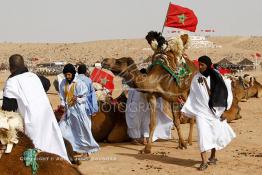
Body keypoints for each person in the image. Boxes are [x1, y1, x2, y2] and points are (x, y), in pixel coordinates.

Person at [1, 54, 69, 162]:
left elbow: (8, 108)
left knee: (36, 150)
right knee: (53, 143)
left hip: (32, 120)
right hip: (47, 116)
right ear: (24, 64)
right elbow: (47, 83)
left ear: (10, 68)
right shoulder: (34, 76)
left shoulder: (11, 82)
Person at [181, 55, 236, 171]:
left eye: (202, 65)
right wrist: (187, 110)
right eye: (199, 65)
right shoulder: (196, 79)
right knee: (202, 136)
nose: (200, 67)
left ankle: (212, 156)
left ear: (208, 65)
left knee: (214, 134)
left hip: (215, 113)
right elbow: (193, 96)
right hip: (201, 112)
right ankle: (204, 161)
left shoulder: (217, 76)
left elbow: (225, 94)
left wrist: (223, 110)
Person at [59, 64, 99, 157]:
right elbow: (62, 96)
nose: (67, 77)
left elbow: (85, 98)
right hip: (68, 110)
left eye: (69, 75)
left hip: (79, 111)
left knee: (82, 131)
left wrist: (77, 99)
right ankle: (73, 148)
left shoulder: (80, 83)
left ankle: (86, 152)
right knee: (63, 129)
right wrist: (62, 104)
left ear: (73, 74)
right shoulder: (63, 83)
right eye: (66, 75)